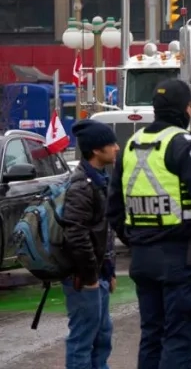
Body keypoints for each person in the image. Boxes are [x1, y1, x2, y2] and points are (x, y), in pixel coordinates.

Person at [107, 79, 191, 369]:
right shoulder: (186, 146)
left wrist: (137, 240)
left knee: (152, 337)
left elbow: (114, 208)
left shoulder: (131, 145)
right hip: (181, 261)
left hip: (143, 259)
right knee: (179, 340)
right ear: (185, 109)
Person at [63, 119, 120, 369]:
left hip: (98, 275)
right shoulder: (81, 186)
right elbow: (75, 233)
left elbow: (103, 233)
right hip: (83, 278)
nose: (117, 148)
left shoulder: (100, 180)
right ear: (96, 150)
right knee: (83, 339)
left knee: (102, 335)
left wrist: (109, 271)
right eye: (111, 144)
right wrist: (89, 278)